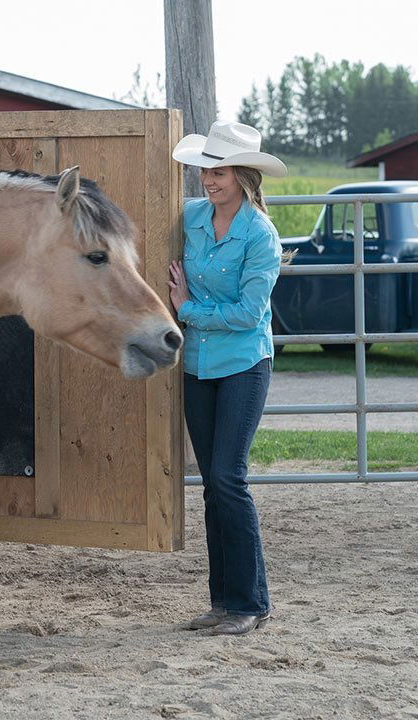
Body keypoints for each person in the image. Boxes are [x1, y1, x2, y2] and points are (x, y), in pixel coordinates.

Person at [166, 120, 288, 636]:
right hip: (197, 366)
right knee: (213, 487)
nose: (207, 180)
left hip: (243, 365)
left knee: (228, 478)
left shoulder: (260, 235)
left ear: (243, 175)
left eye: (218, 171)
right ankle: (224, 603)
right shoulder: (191, 218)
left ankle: (249, 603)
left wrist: (187, 308)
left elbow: (247, 314)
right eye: (204, 169)